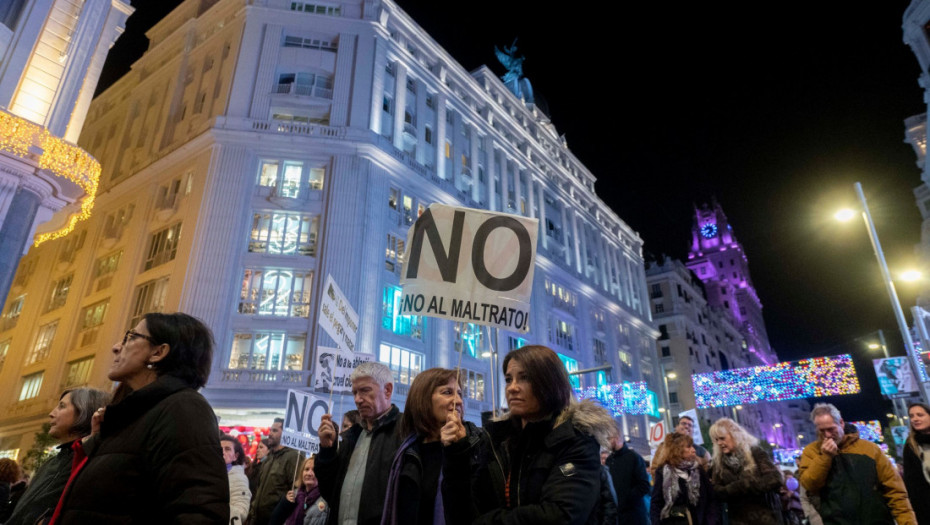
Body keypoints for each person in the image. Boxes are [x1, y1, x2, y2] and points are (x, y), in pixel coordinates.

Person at [53, 312, 229, 523]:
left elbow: (199, 512)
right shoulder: (131, 418)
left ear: (158, 352)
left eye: (131, 337)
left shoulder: (183, 408)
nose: (116, 347)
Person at [441, 344, 616, 525]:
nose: (512, 388)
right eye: (509, 379)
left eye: (524, 378)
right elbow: (461, 513)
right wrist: (457, 454)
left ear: (550, 383)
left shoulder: (575, 440)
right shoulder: (497, 441)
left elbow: (560, 515)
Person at [315, 361, 405, 525]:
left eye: (365, 390)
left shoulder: (405, 432)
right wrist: (327, 452)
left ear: (387, 390)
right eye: (355, 392)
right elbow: (330, 493)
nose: (357, 399)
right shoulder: (351, 437)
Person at [3, 388, 109, 525]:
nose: (51, 413)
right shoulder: (53, 462)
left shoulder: (89, 462)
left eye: (62, 406)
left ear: (84, 411)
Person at [798, 403, 915, 525]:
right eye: (822, 431)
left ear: (841, 423)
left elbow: (895, 491)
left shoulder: (870, 449)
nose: (827, 435)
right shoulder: (811, 452)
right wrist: (825, 457)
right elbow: (810, 485)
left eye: (831, 429)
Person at [382, 368, 466, 525]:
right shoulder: (405, 451)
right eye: (448, 392)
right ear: (423, 398)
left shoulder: (474, 444)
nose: (458, 401)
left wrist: (458, 449)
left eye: (460, 394)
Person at [708, 417, 783, 525]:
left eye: (722, 438)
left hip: (766, 517)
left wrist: (747, 485)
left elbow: (775, 479)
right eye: (716, 440)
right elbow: (716, 490)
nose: (719, 443)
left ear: (734, 435)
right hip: (738, 518)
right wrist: (734, 488)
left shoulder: (755, 453)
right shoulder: (718, 463)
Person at [650, 432, 717, 525]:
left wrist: (710, 521)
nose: (693, 450)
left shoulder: (698, 469)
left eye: (692, 446)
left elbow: (711, 499)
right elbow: (656, 503)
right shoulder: (663, 472)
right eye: (688, 447)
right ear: (677, 450)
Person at [249, 418, 301, 525]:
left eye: (275, 431)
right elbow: (259, 488)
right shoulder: (269, 458)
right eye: (270, 430)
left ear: (286, 433)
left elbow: (296, 490)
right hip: (256, 519)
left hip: (276, 520)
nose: (270, 433)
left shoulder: (293, 457)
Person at [270, 457, 329, 525]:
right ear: (301, 473)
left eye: (314, 470)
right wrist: (284, 503)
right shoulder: (293, 495)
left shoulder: (325, 499)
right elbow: (274, 521)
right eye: (306, 469)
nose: (309, 473)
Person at [606, 434, 650, 525]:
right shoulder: (609, 460)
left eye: (608, 438)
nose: (607, 442)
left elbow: (644, 486)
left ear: (617, 437)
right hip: (617, 516)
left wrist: (625, 500)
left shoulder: (634, 457)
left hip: (634, 516)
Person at [902, 402, 930, 522]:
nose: (915, 419)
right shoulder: (910, 446)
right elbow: (912, 486)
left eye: (920, 415)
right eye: (911, 416)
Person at [220, 434, 252, 524]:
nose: (222, 452)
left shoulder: (239, 478)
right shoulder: (213, 474)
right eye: (220, 448)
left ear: (235, 456)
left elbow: (241, 512)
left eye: (227, 449)